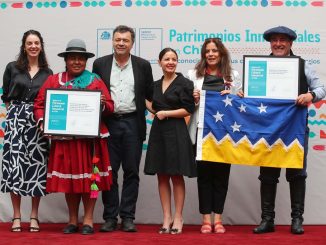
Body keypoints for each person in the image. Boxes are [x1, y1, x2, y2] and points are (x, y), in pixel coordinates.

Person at [33, 39, 114, 235]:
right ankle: (72, 220)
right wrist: (45, 122)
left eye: (80, 59)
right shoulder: (55, 80)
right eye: (72, 58)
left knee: (90, 180)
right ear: (66, 60)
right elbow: (39, 104)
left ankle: (88, 220)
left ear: (85, 61)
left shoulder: (95, 80)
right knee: (71, 180)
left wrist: (102, 103)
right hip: (65, 141)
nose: (76, 62)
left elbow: (111, 106)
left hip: (90, 142)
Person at [253, 26, 326, 235]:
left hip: (295, 129)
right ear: (270, 43)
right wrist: (243, 91)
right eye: (274, 40)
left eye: (282, 40)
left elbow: (322, 88)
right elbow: (249, 93)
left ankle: (297, 220)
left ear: (290, 43)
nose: (277, 44)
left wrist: (311, 95)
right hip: (268, 130)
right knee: (267, 176)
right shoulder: (260, 67)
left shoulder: (303, 66)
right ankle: (267, 220)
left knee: (297, 175)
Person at [92, 25, 154, 232]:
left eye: (125, 40)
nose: (121, 43)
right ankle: (110, 217)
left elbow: (150, 96)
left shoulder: (143, 66)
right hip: (108, 123)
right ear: (112, 41)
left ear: (132, 43)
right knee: (108, 172)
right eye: (117, 39)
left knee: (131, 172)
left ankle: (127, 217)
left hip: (132, 124)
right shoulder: (99, 64)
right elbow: (93, 94)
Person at [187, 38, 242, 234]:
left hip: (225, 135)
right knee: (204, 177)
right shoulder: (193, 75)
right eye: (207, 51)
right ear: (203, 55)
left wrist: (237, 96)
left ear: (221, 54)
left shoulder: (233, 76)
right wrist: (192, 99)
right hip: (202, 133)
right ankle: (205, 220)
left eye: (214, 51)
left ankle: (218, 219)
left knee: (221, 177)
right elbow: (188, 105)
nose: (210, 54)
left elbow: (238, 106)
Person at [0, 30, 52, 232]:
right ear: (24, 46)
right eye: (29, 43)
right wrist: (15, 114)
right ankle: (16, 216)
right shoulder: (12, 68)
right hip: (15, 121)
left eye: (36, 43)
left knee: (36, 166)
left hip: (38, 121)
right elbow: (5, 95)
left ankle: (34, 216)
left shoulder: (47, 72)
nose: (33, 46)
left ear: (41, 45)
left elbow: (49, 99)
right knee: (15, 166)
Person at [144, 48, 196, 234]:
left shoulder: (184, 83)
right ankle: (166, 217)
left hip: (176, 130)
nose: (171, 62)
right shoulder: (155, 85)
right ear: (160, 62)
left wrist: (166, 113)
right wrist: (156, 112)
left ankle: (178, 217)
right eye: (167, 59)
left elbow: (188, 109)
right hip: (159, 132)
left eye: (174, 59)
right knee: (162, 175)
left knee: (176, 175)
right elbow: (148, 101)